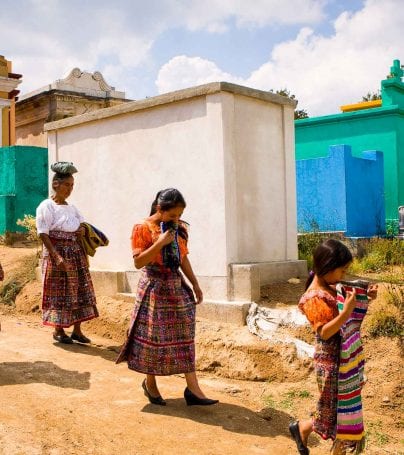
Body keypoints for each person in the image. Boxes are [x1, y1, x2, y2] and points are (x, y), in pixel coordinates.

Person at [116, 188, 218, 407]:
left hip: (175, 283)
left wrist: (195, 283)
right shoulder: (142, 228)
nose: (177, 219)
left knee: (185, 333)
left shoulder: (179, 229)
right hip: (153, 286)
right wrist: (160, 242)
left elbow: (182, 257)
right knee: (153, 337)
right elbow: (138, 262)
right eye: (172, 215)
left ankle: (193, 389)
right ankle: (150, 383)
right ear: (159, 209)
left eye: (179, 215)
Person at [289, 239, 377, 455]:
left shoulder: (331, 288)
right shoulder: (313, 298)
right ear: (327, 267)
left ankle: (301, 428)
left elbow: (347, 310)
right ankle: (331, 446)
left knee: (334, 409)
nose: (344, 275)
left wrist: (367, 297)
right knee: (337, 412)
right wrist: (346, 312)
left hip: (343, 358)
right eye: (342, 270)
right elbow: (325, 331)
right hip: (329, 362)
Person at [36, 162, 99, 344]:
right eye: (66, 185)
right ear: (56, 184)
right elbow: (43, 233)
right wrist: (56, 257)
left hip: (76, 254)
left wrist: (81, 231)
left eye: (72, 185)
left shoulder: (72, 208)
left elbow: (81, 225)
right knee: (60, 292)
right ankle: (59, 330)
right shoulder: (46, 206)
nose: (70, 189)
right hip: (59, 253)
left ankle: (77, 330)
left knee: (79, 290)